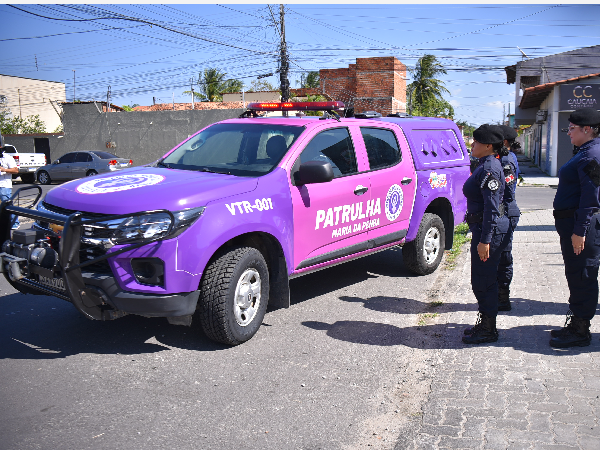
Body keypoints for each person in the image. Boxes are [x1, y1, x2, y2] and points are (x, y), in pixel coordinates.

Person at [551, 107, 600, 348]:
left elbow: (591, 199)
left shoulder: (592, 155)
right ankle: (576, 321)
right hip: (572, 223)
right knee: (575, 273)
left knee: (583, 275)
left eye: (572, 129)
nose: (568, 133)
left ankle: (581, 330)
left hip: (582, 226)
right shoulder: (583, 152)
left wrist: (579, 231)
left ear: (587, 129)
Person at [462, 124, 510, 344]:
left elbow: (492, 208)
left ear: (489, 146)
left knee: (484, 280)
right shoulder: (485, 164)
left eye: (477, 141)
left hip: (486, 230)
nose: (473, 144)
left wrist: (485, 240)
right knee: (481, 279)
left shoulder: (490, 168)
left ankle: (488, 329)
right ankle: (484, 323)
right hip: (483, 228)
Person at [496, 125, 521, 311]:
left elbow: (508, 192)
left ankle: (503, 298)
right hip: (502, 212)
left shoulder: (506, 161)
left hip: (505, 212)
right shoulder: (503, 157)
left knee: (503, 257)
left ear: (504, 141)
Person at [0, 142, 20, 230]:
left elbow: (16, 170)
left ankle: (15, 223)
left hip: (4, 185)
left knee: (7, 204)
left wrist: (4, 169)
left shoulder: (7, 157)